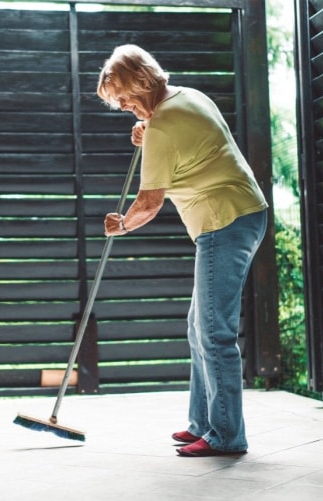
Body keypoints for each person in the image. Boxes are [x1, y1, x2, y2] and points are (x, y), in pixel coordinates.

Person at [97, 44, 268, 457]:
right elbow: (185, 140)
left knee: (213, 332)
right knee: (199, 329)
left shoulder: (163, 124)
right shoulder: (186, 97)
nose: (121, 107)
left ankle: (226, 435)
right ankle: (203, 423)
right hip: (240, 213)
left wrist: (121, 226)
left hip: (223, 221)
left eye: (122, 97)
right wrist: (148, 123)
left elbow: (149, 203)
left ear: (139, 82)